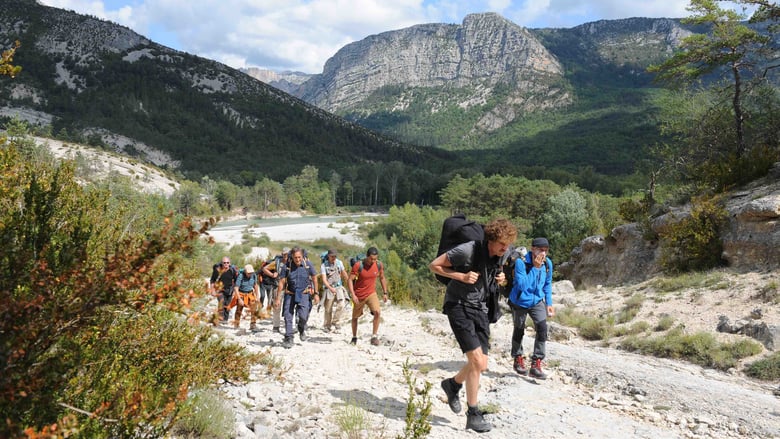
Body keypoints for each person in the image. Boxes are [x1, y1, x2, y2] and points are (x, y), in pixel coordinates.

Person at [428, 218, 516, 433]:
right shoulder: (467, 250)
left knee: (481, 364)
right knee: (476, 360)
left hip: (481, 308)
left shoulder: (503, 252)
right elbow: (434, 265)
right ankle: (473, 414)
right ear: (491, 241)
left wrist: (502, 278)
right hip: (458, 305)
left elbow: (498, 275)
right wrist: (461, 275)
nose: (506, 248)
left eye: (508, 244)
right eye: (502, 244)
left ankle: (453, 384)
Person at [508, 237, 554, 380]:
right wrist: (535, 267)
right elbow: (522, 286)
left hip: (537, 301)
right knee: (519, 329)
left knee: (542, 328)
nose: (543, 253)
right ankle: (517, 358)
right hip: (520, 301)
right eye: (540, 250)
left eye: (546, 250)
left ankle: (536, 363)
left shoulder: (548, 263)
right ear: (533, 248)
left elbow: (547, 283)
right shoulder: (521, 263)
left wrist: (549, 303)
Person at [275, 247, 319, 348]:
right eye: (295, 257)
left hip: (303, 293)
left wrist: (316, 293)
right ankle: (289, 337)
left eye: (299, 257)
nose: (297, 259)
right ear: (292, 257)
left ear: (302, 256)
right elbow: (281, 282)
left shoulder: (308, 265)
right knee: (288, 315)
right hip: (290, 293)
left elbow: (314, 278)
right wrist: (278, 298)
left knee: (303, 316)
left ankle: (301, 328)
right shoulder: (287, 266)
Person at [347, 247, 388, 346]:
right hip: (359, 295)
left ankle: (374, 336)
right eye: (371, 259)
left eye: (375, 259)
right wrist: (353, 295)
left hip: (371, 293)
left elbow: (382, 278)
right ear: (367, 256)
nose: (373, 261)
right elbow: (349, 280)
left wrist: (385, 292)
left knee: (377, 312)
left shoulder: (378, 265)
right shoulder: (358, 265)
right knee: (355, 317)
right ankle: (354, 337)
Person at [320, 249, 350, 332]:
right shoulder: (324, 265)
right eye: (332, 256)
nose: (334, 258)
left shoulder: (339, 263)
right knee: (328, 309)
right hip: (329, 288)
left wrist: (349, 282)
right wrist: (330, 288)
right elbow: (324, 279)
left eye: (335, 256)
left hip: (339, 287)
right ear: (328, 256)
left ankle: (336, 321)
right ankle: (327, 325)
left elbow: (344, 273)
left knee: (342, 304)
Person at [262, 248, 289, 333]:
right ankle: (276, 326)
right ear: (282, 254)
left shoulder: (292, 263)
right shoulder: (277, 263)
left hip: (289, 288)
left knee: (288, 307)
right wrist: (272, 274)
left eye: (288, 254)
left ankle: (288, 326)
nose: (286, 256)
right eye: (285, 254)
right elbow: (264, 269)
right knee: (277, 307)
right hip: (277, 287)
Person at [230, 264, 260, 331]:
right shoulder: (241, 276)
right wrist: (239, 299)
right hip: (241, 294)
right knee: (239, 310)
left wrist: (257, 296)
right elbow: (236, 288)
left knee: (253, 309)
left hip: (250, 294)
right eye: (248, 273)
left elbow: (255, 285)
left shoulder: (254, 275)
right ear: (245, 272)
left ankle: (253, 324)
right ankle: (236, 324)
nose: (250, 274)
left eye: (251, 273)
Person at [209, 256, 238, 324]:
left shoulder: (232, 270)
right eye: (224, 263)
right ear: (222, 263)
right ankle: (220, 318)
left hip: (229, 290)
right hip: (220, 290)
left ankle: (225, 319)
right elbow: (212, 280)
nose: (226, 264)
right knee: (221, 302)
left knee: (227, 305)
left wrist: (235, 291)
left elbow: (236, 281)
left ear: (229, 263)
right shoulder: (218, 270)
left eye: (227, 263)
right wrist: (212, 290)